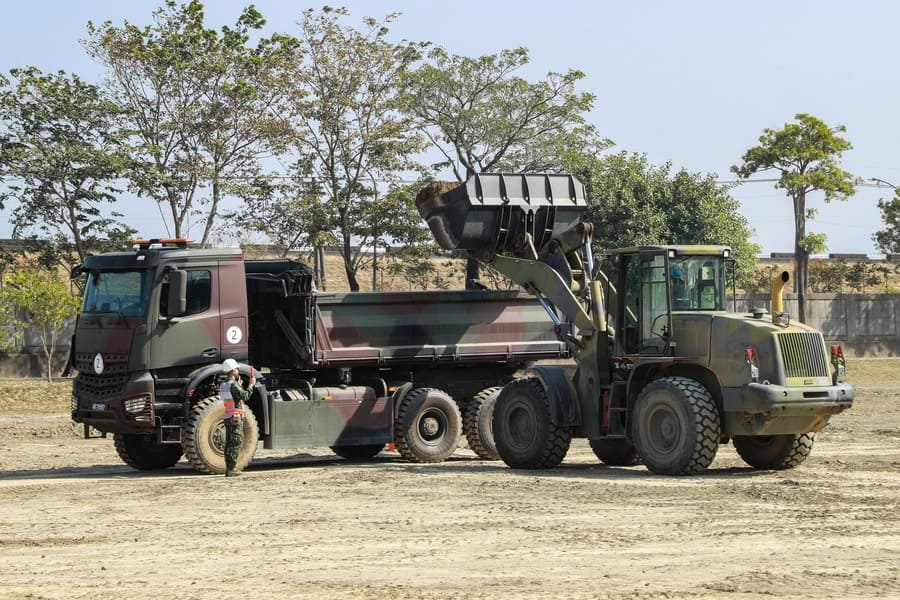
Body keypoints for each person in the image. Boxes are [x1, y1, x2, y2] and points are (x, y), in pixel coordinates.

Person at [220, 358, 255, 477]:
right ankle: (231, 469)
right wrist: (251, 385)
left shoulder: (224, 385)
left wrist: (239, 386)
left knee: (229, 442)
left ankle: (229, 468)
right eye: (235, 368)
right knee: (235, 441)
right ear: (232, 371)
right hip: (235, 417)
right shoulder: (233, 385)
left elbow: (233, 396)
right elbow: (245, 396)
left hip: (228, 416)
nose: (237, 370)